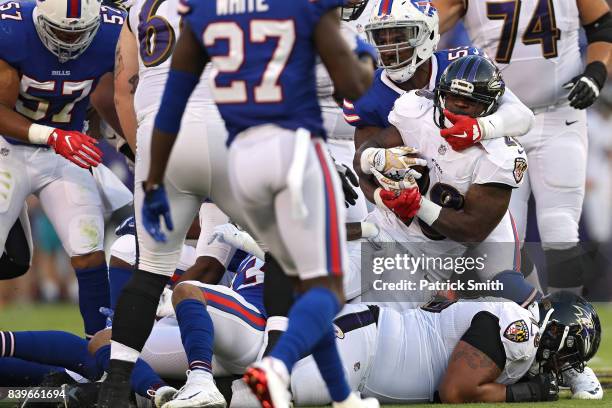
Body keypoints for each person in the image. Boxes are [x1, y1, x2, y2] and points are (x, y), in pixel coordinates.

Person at [99, 0, 377, 407]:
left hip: (162, 133)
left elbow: (123, 88)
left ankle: (114, 386)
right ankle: (269, 371)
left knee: (149, 271)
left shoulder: (140, 8)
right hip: (229, 128)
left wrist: (148, 159)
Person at [432, 0, 612, 398]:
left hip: (559, 114)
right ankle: (529, 344)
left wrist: (596, 74)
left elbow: (603, 27)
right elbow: (430, 23)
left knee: (560, 230)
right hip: (494, 120)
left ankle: (571, 358)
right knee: (496, 249)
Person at [354, 55, 533, 309]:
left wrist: (417, 206)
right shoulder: (417, 111)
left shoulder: (500, 155)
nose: (458, 105)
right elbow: (361, 162)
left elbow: (473, 230)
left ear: (489, 107)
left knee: (503, 289)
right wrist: (375, 160)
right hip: (380, 231)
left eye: (470, 101)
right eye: (452, 96)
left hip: (425, 263)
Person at [0, 0, 126, 338]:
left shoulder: (115, 30)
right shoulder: (11, 29)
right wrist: (52, 135)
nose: (70, 42)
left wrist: (126, 143)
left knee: (88, 249)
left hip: (66, 151)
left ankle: (99, 355)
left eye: (79, 34)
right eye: (60, 33)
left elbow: (119, 95)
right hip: (8, 149)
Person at [343, 0, 534, 154]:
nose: (389, 50)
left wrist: (480, 128)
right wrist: (382, 189)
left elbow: (523, 117)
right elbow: (364, 163)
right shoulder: (367, 90)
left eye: (400, 38)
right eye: (381, 40)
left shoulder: (459, 64)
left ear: (429, 33)